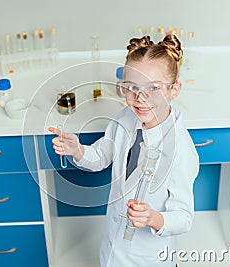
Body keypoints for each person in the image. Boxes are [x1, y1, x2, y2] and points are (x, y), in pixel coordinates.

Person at [49, 34, 199, 267]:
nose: (140, 98)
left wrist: (153, 217)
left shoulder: (181, 151)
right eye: (132, 88)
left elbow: (184, 218)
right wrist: (77, 150)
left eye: (154, 88)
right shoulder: (128, 117)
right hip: (113, 248)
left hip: (148, 258)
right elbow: (102, 156)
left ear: (174, 89)